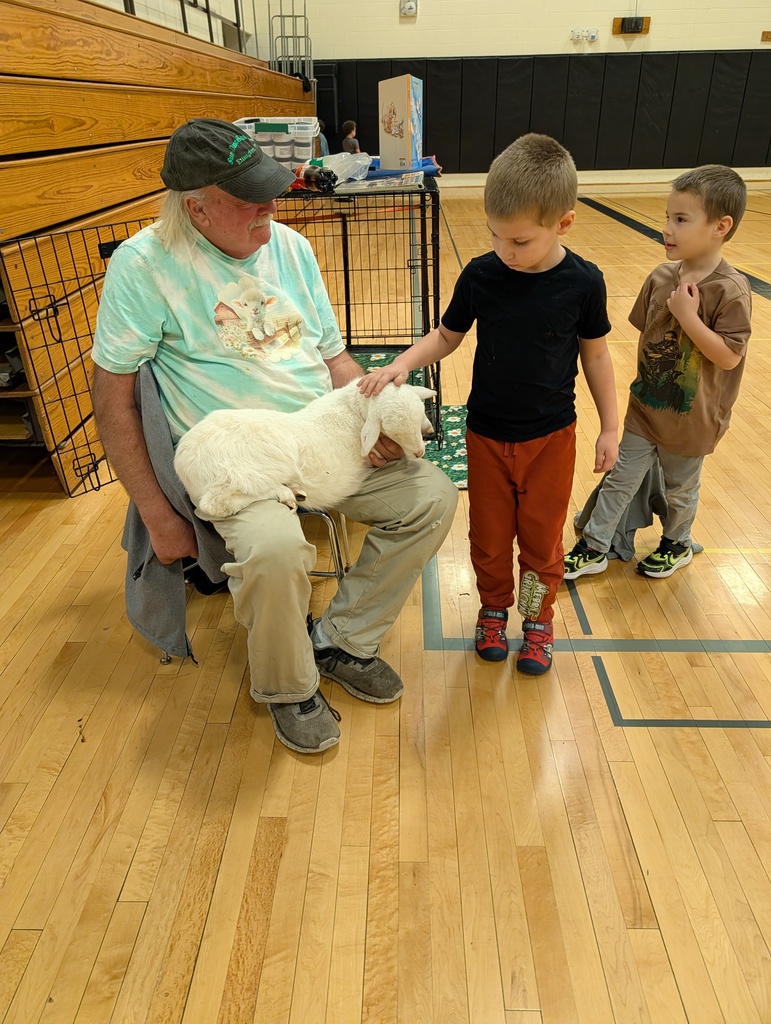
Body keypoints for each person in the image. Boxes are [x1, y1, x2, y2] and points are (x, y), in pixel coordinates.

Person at [91, 118, 457, 754]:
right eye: (248, 199)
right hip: (240, 457)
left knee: (431, 496)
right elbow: (112, 397)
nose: (270, 207)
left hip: (320, 436)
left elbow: (336, 359)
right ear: (195, 206)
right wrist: (156, 512)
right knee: (276, 549)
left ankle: (341, 639)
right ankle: (288, 686)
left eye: (268, 192)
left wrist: (369, 416)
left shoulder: (289, 247)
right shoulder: (144, 265)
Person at [359, 133, 618, 674]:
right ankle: (493, 611)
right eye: (495, 236)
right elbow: (447, 336)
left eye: (520, 241)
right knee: (491, 539)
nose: (505, 250)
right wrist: (402, 362)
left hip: (551, 438)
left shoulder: (584, 283)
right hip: (486, 436)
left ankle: (537, 619)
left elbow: (596, 358)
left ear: (563, 224)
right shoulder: (482, 274)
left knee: (543, 543)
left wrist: (609, 428)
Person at [564, 164, 750, 581]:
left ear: (720, 226)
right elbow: (645, 331)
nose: (667, 228)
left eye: (681, 220)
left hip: (693, 420)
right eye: (667, 217)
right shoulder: (661, 276)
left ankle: (676, 542)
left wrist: (688, 317)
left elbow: (728, 357)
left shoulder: (730, 290)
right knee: (620, 478)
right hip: (645, 408)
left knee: (682, 490)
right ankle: (595, 546)